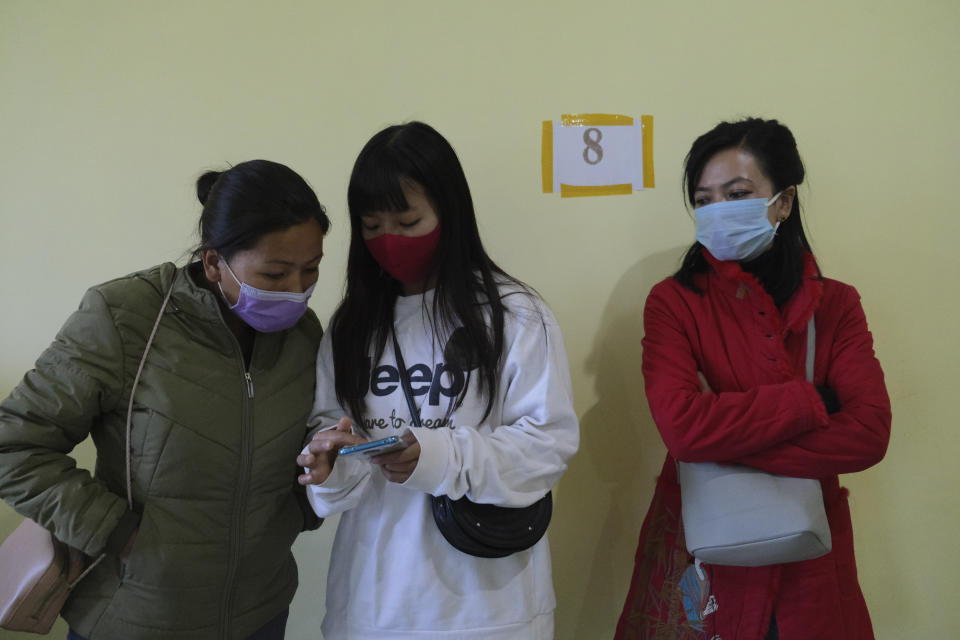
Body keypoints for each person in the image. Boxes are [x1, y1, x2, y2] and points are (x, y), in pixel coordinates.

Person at [0, 159, 330, 639]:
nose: (297, 291)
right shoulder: (125, 317)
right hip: (136, 619)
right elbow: (14, 446)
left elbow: (297, 442)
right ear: (214, 262)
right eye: (276, 273)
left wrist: (307, 497)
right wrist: (115, 531)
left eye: (311, 269)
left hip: (260, 613)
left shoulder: (304, 335)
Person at [297, 121, 580, 640]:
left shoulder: (514, 315)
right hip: (372, 605)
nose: (390, 241)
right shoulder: (351, 325)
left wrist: (438, 457)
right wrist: (328, 459)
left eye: (407, 221)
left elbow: (548, 446)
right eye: (372, 225)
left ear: (449, 213)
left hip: (491, 608)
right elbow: (330, 437)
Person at [614, 118, 891, 640]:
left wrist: (718, 437)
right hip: (705, 547)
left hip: (811, 549)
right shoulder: (673, 303)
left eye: (737, 194)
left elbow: (870, 433)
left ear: (783, 202)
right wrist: (809, 403)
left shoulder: (837, 305)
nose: (718, 212)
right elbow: (680, 429)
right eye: (704, 199)